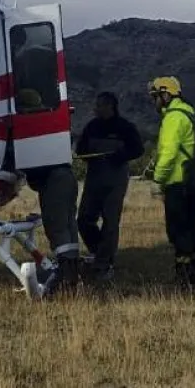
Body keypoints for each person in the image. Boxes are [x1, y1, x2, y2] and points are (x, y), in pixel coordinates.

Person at [75, 91, 144, 283]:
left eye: (99, 105)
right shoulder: (91, 127)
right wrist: (85, 153)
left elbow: (138, 149)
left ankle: (103, 264)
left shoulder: (125, 127)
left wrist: (120, 155)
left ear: (109, 106)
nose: (95, 109)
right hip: (94, 179)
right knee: (84, 219)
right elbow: (80, 149)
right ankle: (100, 252)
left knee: (110, 221)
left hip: (116, 179)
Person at [148, 76, 195, 288]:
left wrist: (158, 179)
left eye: (156, 96)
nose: (154, 101)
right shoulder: (187, 114)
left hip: (177, 183)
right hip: (190, 182)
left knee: (178, 231)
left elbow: (169, 153)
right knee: (192, 229)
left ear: (165, 95)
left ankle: (184, 279)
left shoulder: (173, 118)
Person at [22, 163, 82, 297]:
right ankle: (71, 276)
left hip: (53, 179)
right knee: (69, 224)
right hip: (67, 176)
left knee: (57, 226)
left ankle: (62, 278)